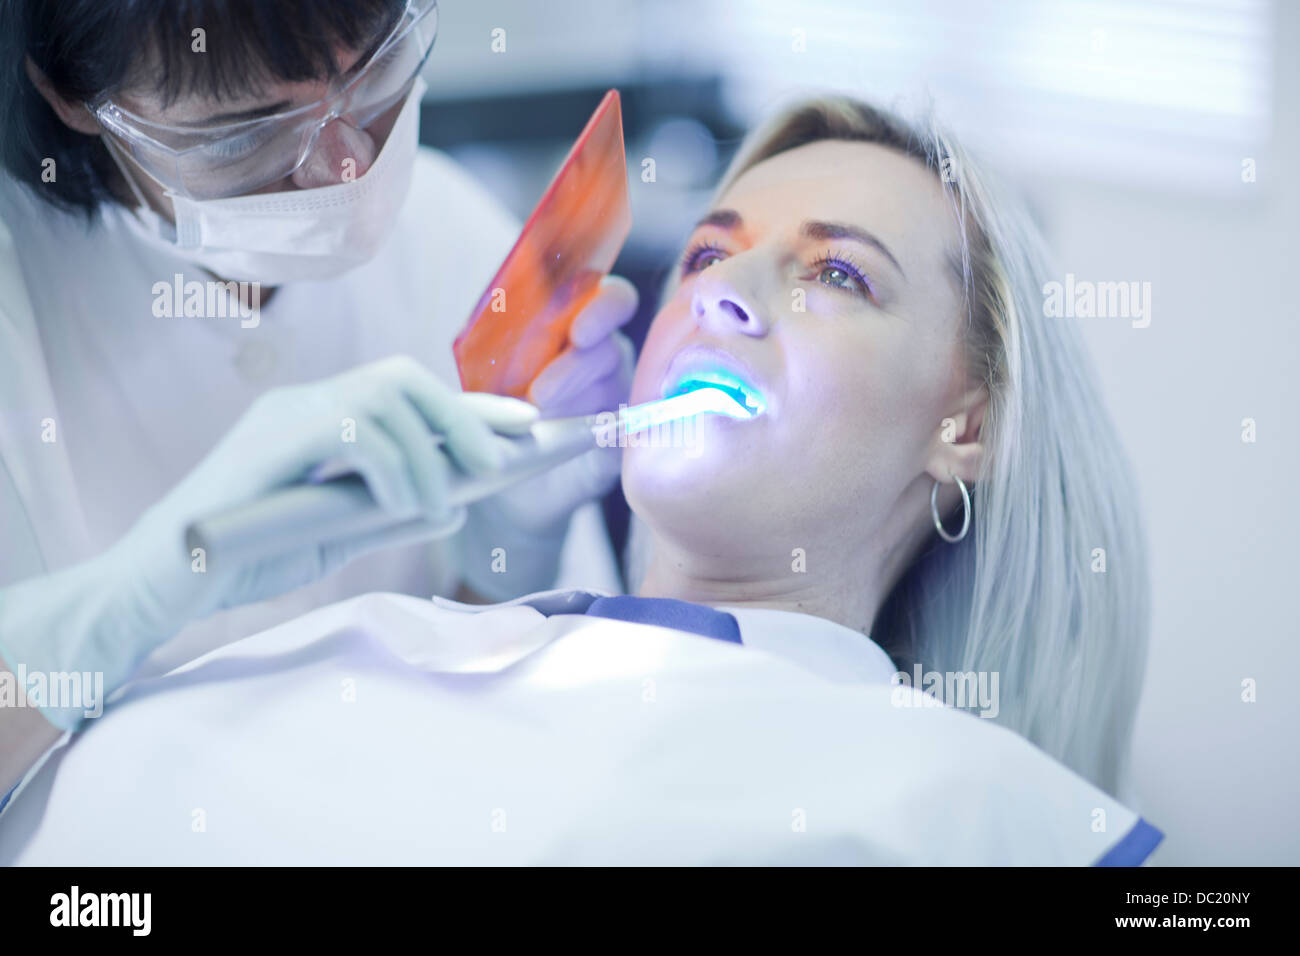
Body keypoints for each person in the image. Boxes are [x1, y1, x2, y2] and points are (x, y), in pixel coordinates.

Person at [0, 94, 1157, 861]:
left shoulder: (971, 803)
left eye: (840, 276)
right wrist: (143, 588)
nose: (721, 289)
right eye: (707, 250)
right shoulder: (382, 640)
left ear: (963, 420)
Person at [0, 0, 634, 802]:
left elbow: (521, 727)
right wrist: (124, 605)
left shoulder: (453, 233)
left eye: (375, 71)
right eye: (248, 132)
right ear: (68, 94)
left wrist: (512, 549)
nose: (347, 166)